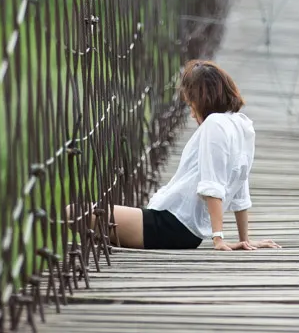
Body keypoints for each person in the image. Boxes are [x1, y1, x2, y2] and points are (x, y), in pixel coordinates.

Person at [108, 59, 282, 251]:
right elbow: (240, 184)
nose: (191, 114)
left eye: (191, 105)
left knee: (77, 213)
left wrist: (218, 240)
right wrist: (245, 239)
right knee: (96, 226)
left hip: (171, 223)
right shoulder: (242, 125)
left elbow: (211, 184)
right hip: (184, 231)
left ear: (201, 100)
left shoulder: (214, 124)